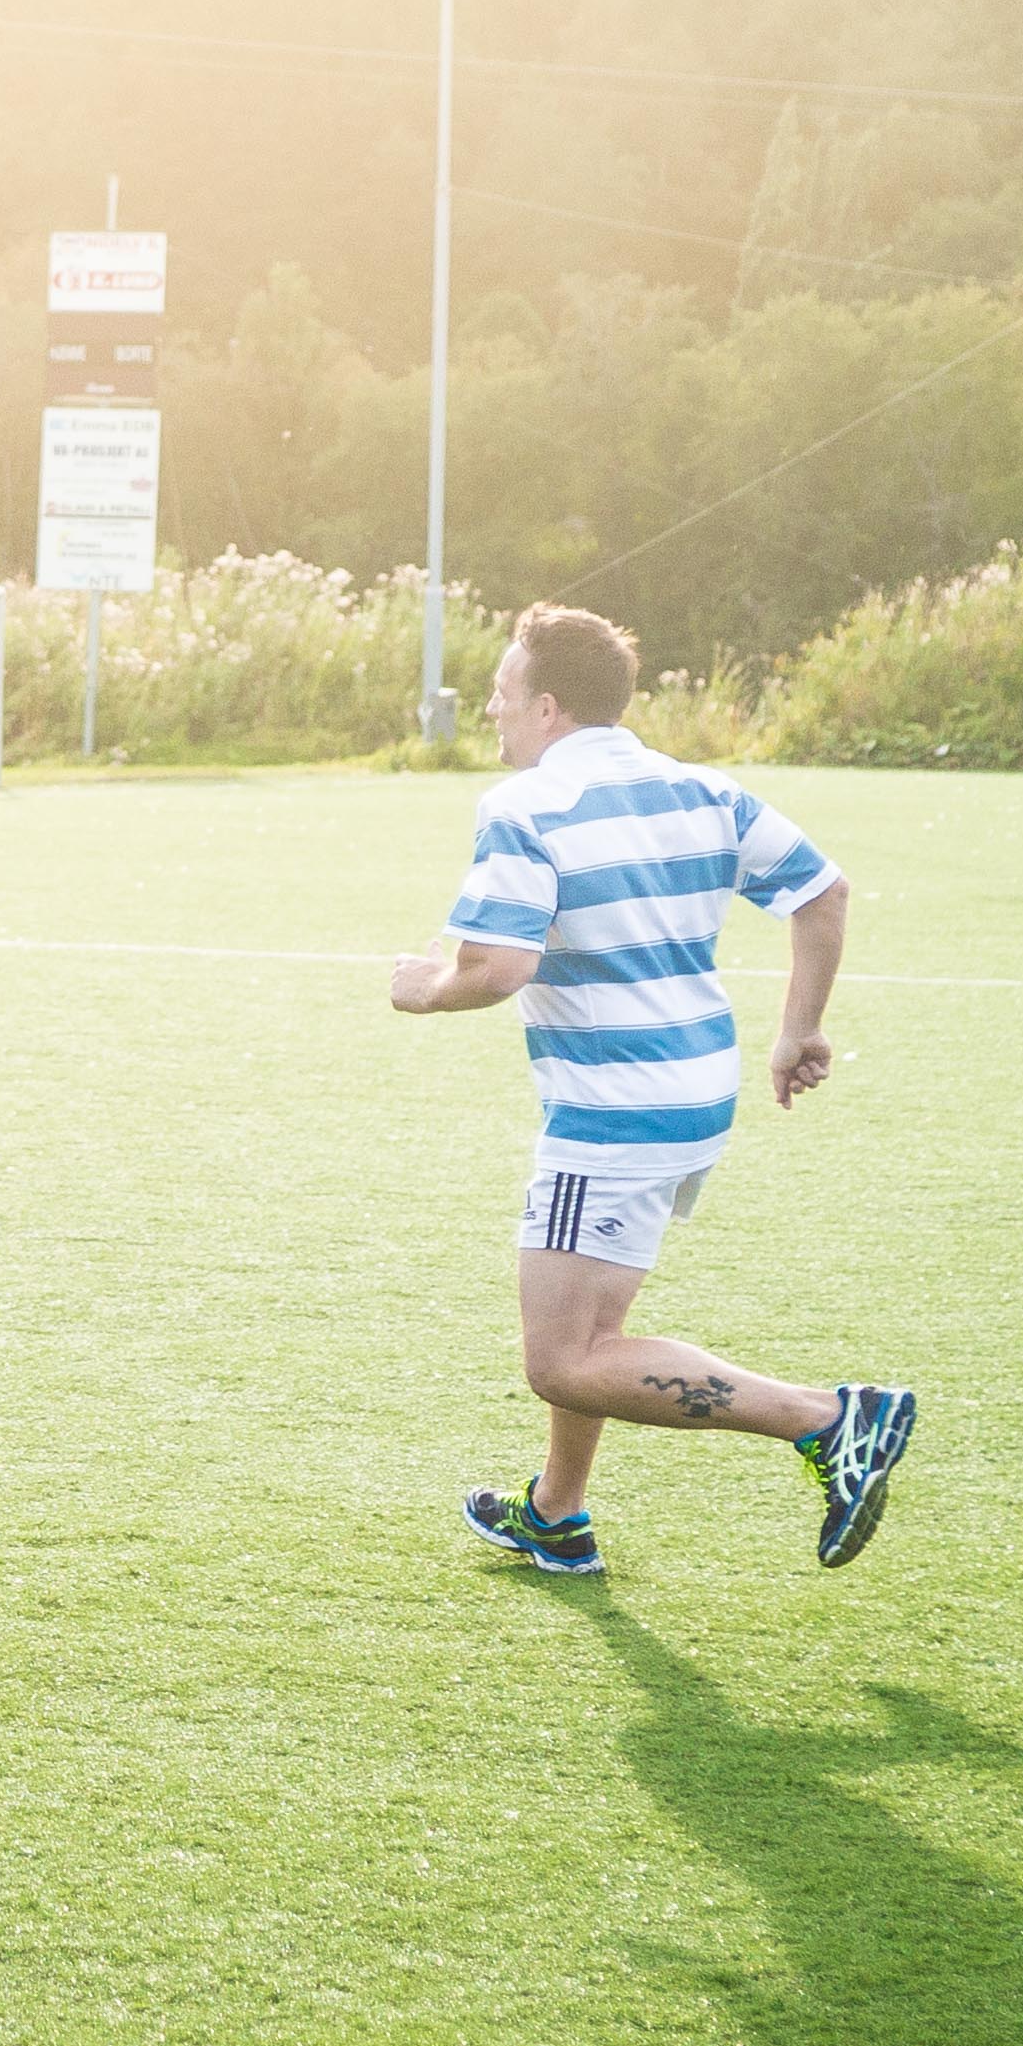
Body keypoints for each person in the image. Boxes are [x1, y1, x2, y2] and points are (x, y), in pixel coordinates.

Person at [389, 601, 915, 1575]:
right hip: (691, 1089)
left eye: (502, 696)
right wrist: (795, 1028)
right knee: (589, 1321)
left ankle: (831, 1420)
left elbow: (494, 967)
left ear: (545, 707)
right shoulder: (700, 790)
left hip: (611, 1111)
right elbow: (821, 891)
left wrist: (424, 989)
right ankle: (556, 1510)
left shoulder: (523, 807)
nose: (493, 715)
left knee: (560, 1357)